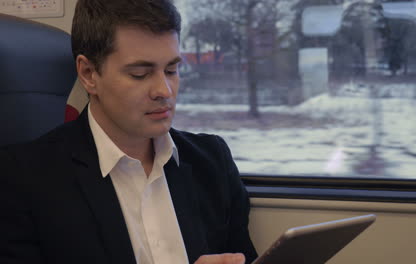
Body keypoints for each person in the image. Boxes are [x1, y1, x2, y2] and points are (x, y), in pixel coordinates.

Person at [0, 0, 257, 263]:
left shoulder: (212, 162)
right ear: (89, 74)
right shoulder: (24, 180)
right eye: (140, 74)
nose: (164, 91)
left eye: (172, 70)